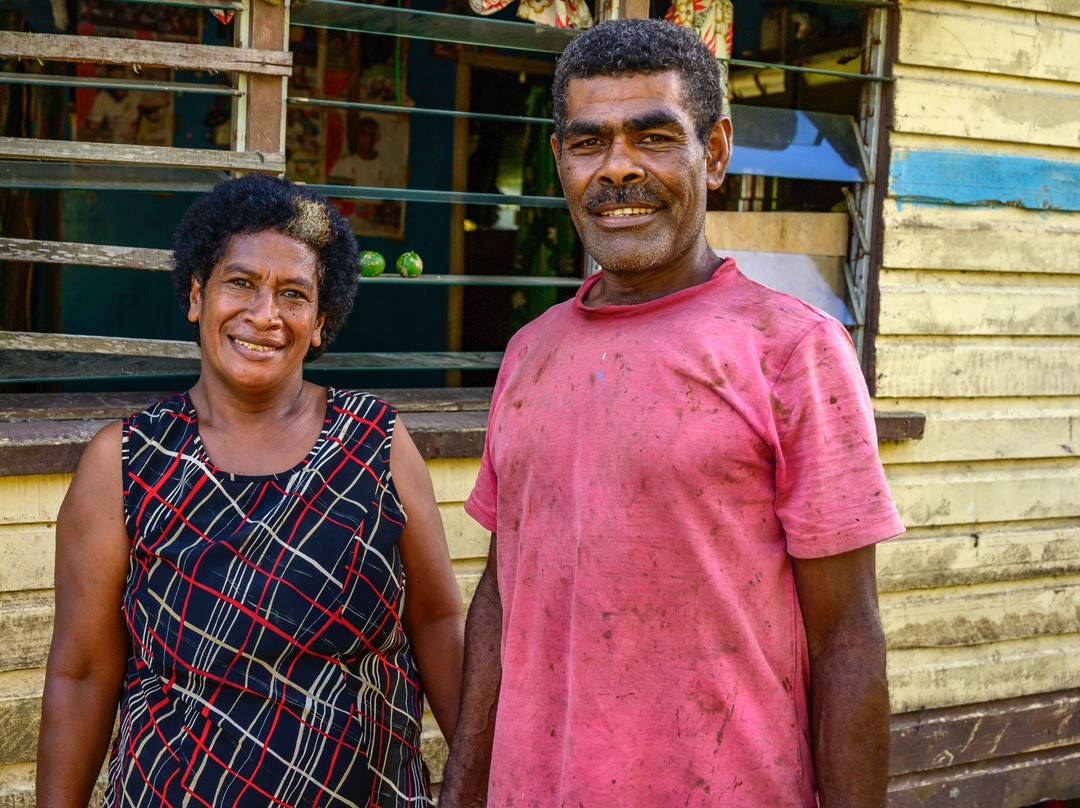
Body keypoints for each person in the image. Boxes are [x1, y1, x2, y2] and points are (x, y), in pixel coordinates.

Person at [439, 17, 904, 808]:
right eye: (589, 143)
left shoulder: (792, 350)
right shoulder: (529, 353)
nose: (617, 169)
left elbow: (846, 640)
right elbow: (501, 593)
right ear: (560, 162)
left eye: (653, 138)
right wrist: (462, 789)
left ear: (715, 152)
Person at [36, 174, 464, 807]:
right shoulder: (125, 462)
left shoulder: (376, 441)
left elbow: (436, 619)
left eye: (293, 294)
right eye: (240, 282)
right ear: (195, 295)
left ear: (320, 323)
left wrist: (480, 779)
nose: (264, 315)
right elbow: (82, 672)